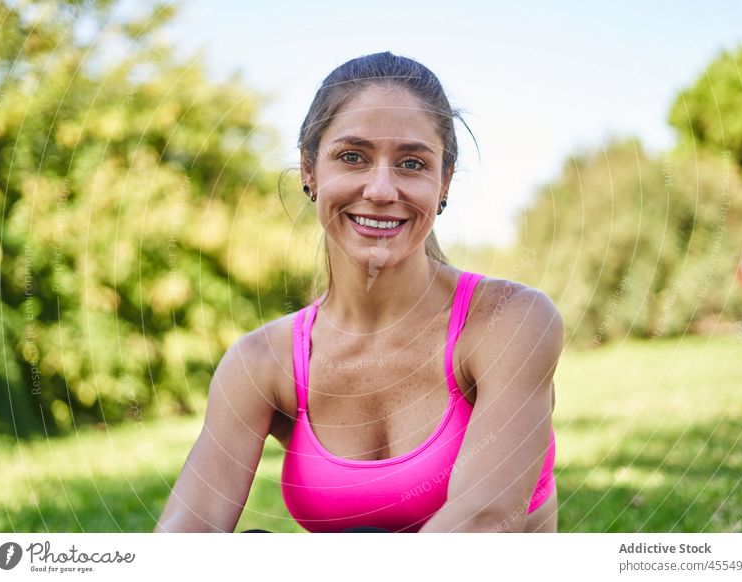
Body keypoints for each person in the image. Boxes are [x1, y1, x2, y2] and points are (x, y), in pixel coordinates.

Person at [155, 51, 563, 534]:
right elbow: (185, 533)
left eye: (412, 163)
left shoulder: (510, 320)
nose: (382, 188)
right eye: (353, 157)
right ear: (310, 169)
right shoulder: (262, 362)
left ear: (443, 182)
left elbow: (485, 521)